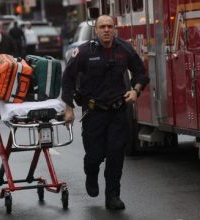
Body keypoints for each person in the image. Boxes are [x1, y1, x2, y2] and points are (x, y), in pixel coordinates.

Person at [61, 15, 149, 210]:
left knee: (116, 155)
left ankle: (113, 197)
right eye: (103, 27)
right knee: (94, 155)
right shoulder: (84, 52)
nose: (107, 30)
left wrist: (136, 90)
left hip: (118, 112)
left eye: (110, 26)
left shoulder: (124, 49)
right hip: (94, 113)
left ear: (115, 29)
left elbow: (141, 73)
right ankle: (91, 175)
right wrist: (68, 108)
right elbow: (67, 78)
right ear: (97, 30)